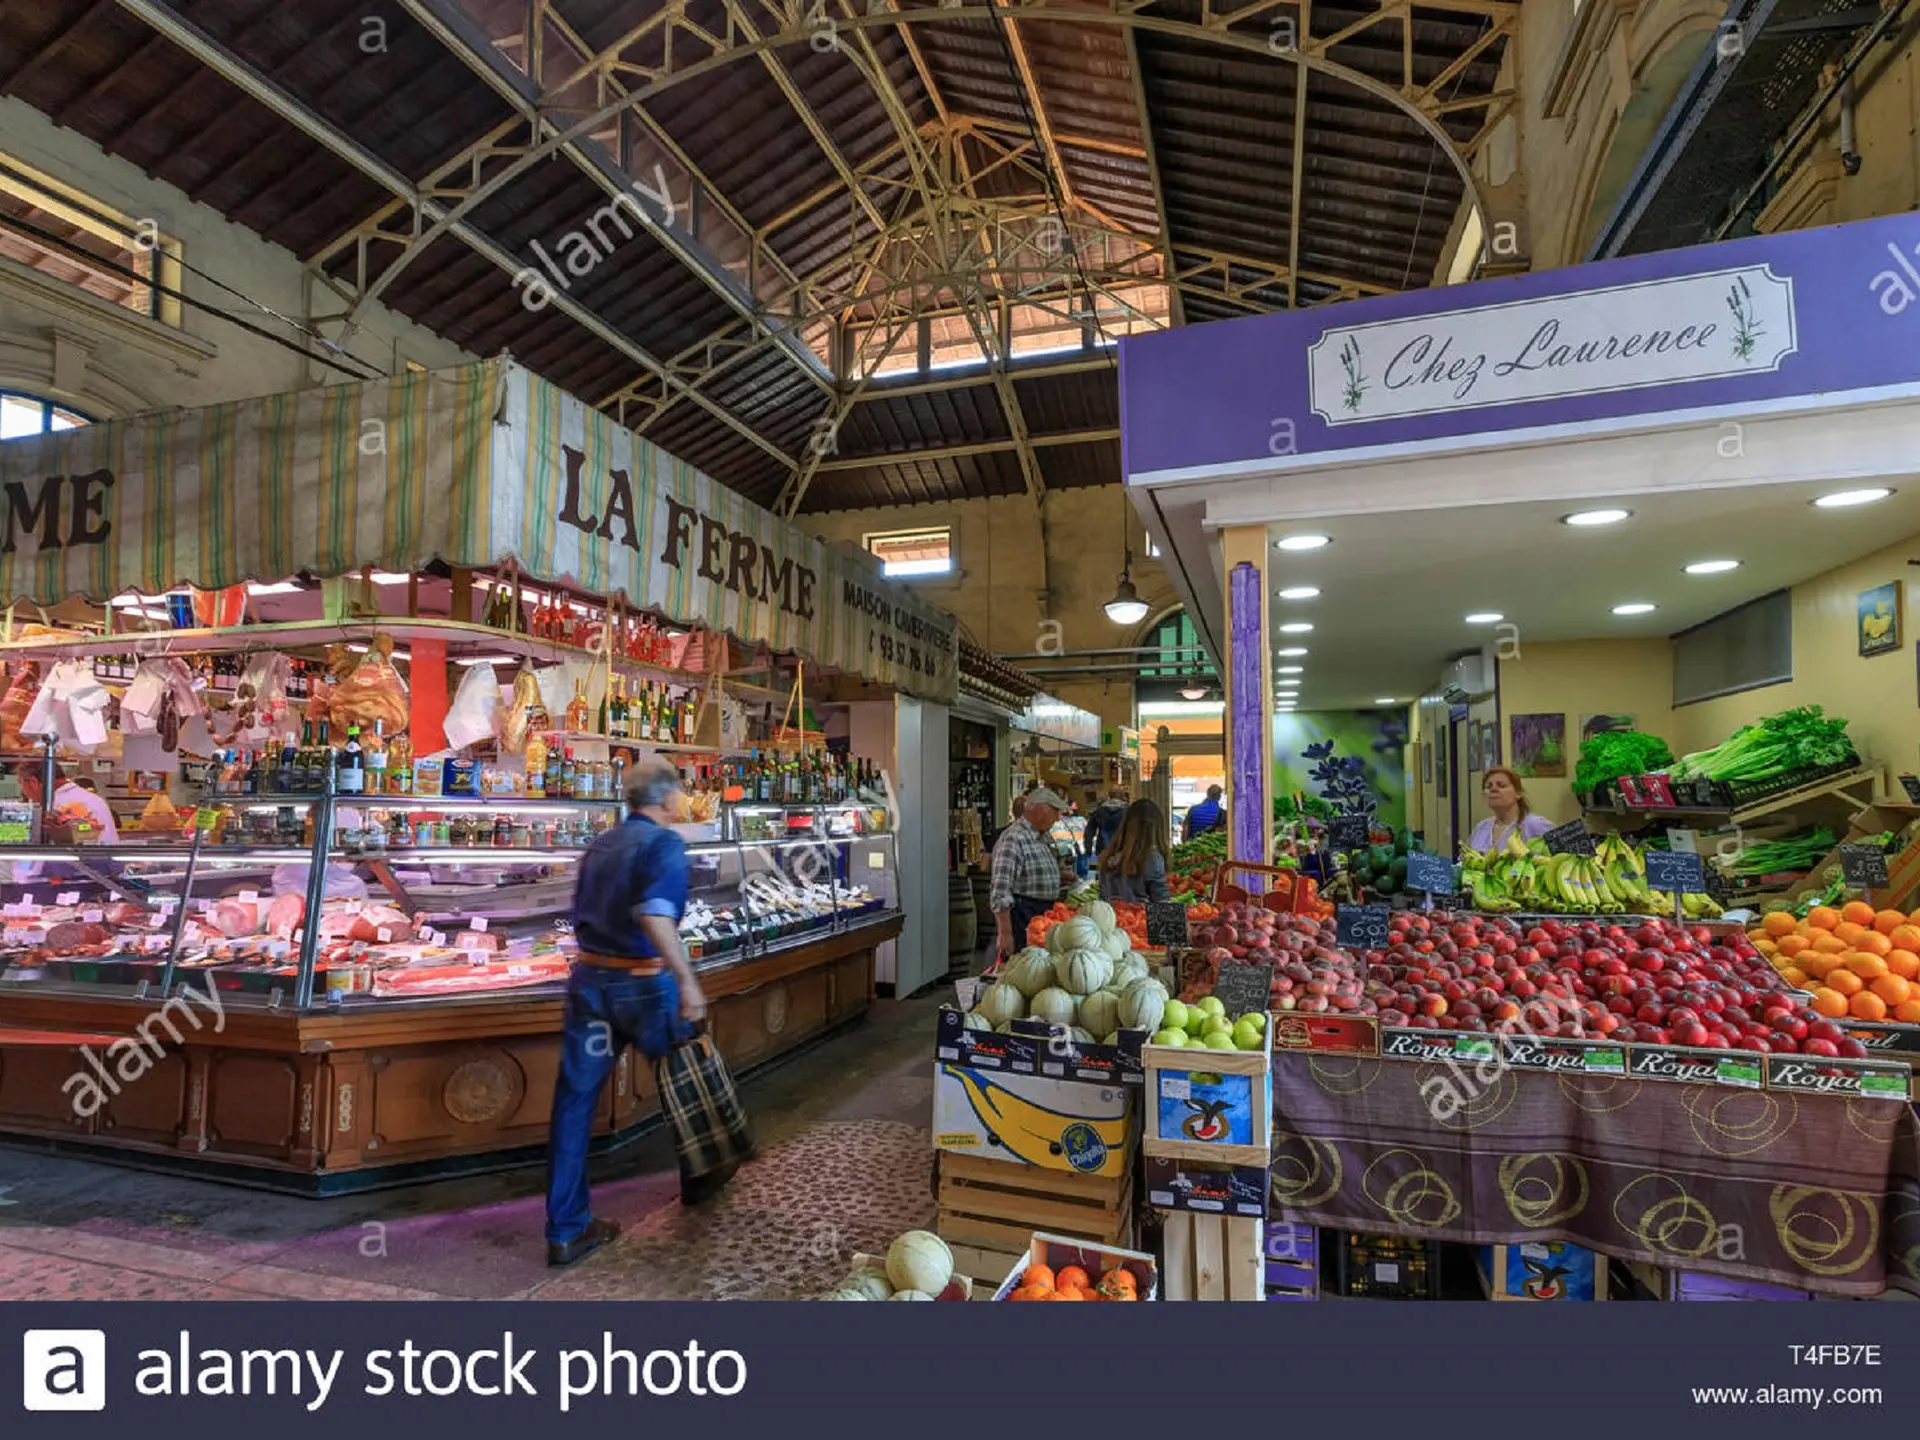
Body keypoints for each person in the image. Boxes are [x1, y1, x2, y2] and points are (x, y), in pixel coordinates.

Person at [546, 761, 715, 1268]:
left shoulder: (602, 842)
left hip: (590, 983)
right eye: (680, 796)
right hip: (643, 985)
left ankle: (566, 1230)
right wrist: (687, 981)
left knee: (573, 1108)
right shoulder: (664, 844)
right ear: (666, 801)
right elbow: (656, 914)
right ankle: (705, 1179)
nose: (682, 804)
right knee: (689, 1079)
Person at [990, 786, 1067, 961]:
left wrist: (1058, 877)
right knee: (1024, 968)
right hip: (1022, 917)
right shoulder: (1013, 838)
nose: (1058, 818)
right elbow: (1001, 890)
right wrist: (1005, 933)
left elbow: (1028, 874)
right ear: (1040, 810)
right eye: (1055, 811)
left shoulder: (1040, 837)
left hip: (1039, 918)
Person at [16, 761, 116, 843]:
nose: (23, 791)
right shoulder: (91, 798)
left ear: (33, 782)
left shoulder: (58, 805)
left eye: (21, 783)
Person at [1097, 798, 1172, 904]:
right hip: (1139, 918)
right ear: (1157, 829)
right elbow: (1162, 905)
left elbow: (1103, 901)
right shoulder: (1152, 859)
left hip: (1112, 918)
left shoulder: (1109, 857)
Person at [1467, 766, 1555, 853]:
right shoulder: (1481, 828)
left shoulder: (1535, 825)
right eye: (1489, 786)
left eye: (1501, 785)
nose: (1493, 789)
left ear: (1518, 793)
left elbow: (1563, 857)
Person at [1083, 788, 1127, 862]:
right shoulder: (1128, 811)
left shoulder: (1099, 811)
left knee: (1103, 871)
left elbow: (1089, 831)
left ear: (1109, 796)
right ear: (1123, 797)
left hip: (1102, 848)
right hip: (1121, 849)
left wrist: (1088, 849)